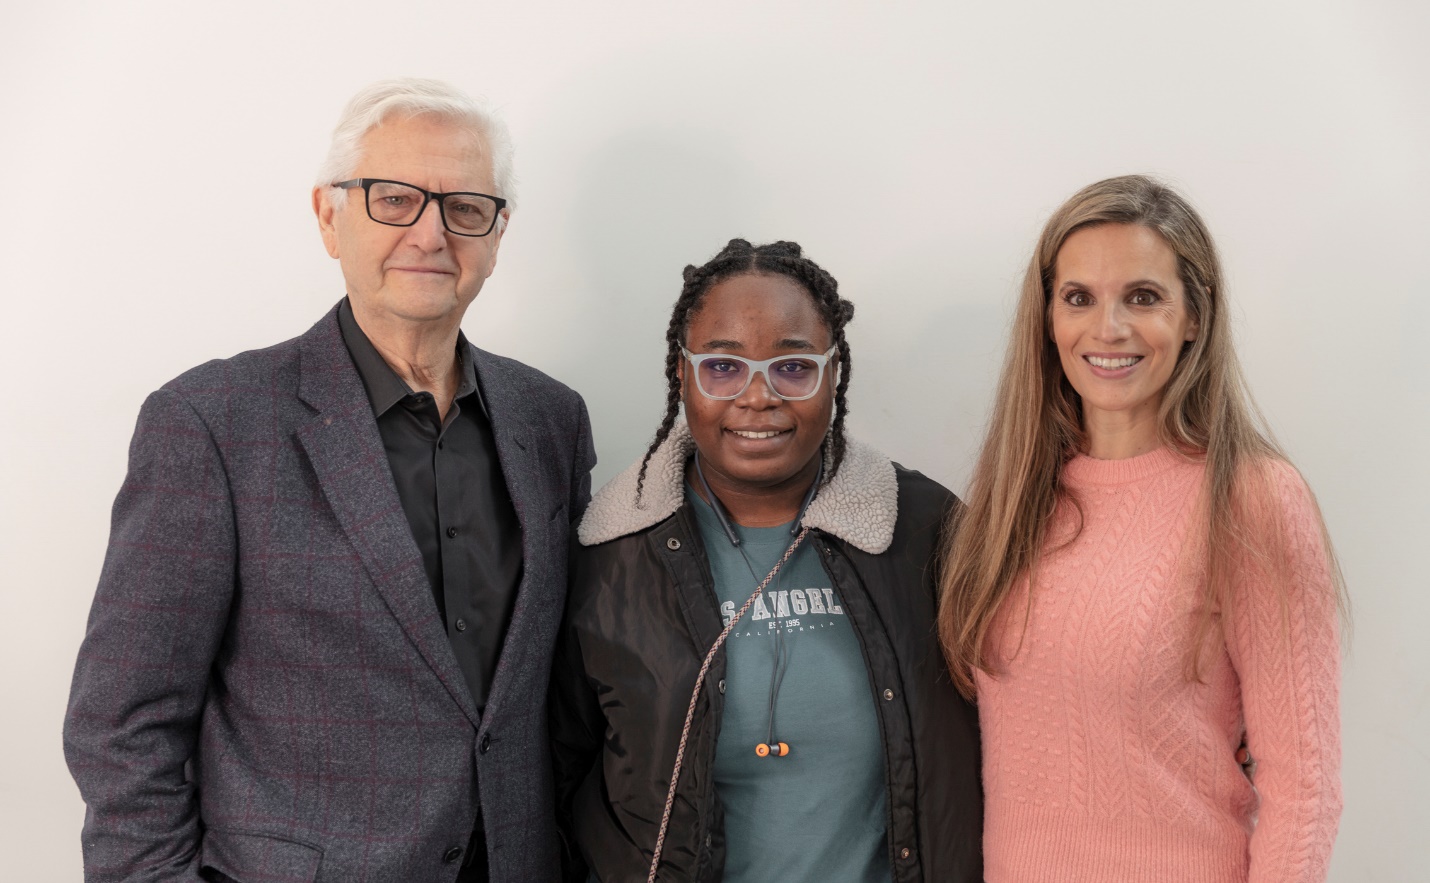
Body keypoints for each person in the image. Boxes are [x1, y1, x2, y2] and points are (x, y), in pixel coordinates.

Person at [63, 78, 595, 882]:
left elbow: (563, 695)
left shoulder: (550, 420)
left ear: (497, 233)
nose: (430, 232)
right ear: (328, 217)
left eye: (464, 207)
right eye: (394, 199)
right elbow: (124, 721)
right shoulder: (211, 423)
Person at [937, 175, 1344, 882]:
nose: (1109, 328)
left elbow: (1304, 790)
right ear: (1048, 318)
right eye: (1079, 298)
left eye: (1143, 296)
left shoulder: (1250, 496)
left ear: (1194, 317)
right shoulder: (1015, 495)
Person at [550, 239, 983, 883]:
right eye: (722, 367)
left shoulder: (924, 531)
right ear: (682, 373)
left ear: (832, 374)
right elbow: (559, 777)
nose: (758, 397)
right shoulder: (610, 555)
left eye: (793, 367)